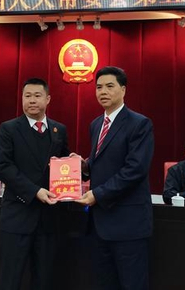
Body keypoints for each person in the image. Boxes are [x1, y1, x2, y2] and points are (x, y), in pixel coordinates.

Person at [76, 66, 154, 290]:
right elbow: (102, 163)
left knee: (132, 284)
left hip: (128, 224)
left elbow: (135, 170)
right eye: (99, 87)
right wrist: (84, 166)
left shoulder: (139, 123)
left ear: (123, 90)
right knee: (104, 283)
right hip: (100, 224)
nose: (103, 91)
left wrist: (97, 195)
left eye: (110, 86)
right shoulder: (96, 124)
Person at [0, 78, 70, 290]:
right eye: (27, 96)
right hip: (17, 216)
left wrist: (75, 166)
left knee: (44, 280)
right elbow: (3, 166)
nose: (32, 100)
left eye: (37, 96)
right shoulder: (9, 128)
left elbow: (63, 165)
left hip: (48, 219)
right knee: (10, 280)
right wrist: (34, 191)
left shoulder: (59, 130)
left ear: (48, 99)